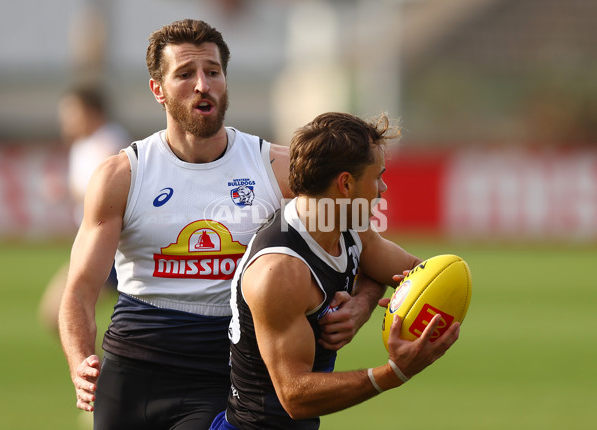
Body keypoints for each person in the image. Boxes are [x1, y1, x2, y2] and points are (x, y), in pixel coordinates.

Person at [58, 19, 386, 430]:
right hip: (130, 376)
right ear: (157, 90)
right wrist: (79, 361)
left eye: (212, 72)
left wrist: (362, 304)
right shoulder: (122, 176)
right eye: (185, 74)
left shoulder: (279, 170)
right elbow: (79, 291)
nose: (202, 84)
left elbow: (370, 251)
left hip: (224, 379)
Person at [211, 112, 460, 430]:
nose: (383, 187)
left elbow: (412, 274)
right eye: (377, 176)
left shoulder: (345, 222)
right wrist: (394, 372)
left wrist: (362, 305)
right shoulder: (280, 273)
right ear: (345, 183)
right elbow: (294, 397)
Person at [38, 84, 129, 333]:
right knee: (62, 315)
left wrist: (66, 190)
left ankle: (97, 370)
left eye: (71, 113)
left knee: (62, 313)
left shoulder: (110, 142)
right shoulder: (83, 145)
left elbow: (105, 193)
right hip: (93, 241)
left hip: (110, 246)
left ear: (92, 112)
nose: (65, 121)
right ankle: (97, 371)